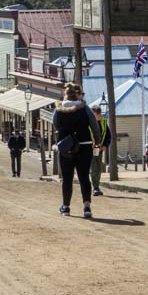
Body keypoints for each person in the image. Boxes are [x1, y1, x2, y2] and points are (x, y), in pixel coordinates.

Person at [51, 84, 98, 218]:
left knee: (67, 178)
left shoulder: (59, 108)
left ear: (65, 95)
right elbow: (94, 125)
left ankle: (66, 207)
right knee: (84, 177)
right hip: (84, 145)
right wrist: (97, 141)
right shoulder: (84, 108)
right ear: (77, 95)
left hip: (67, 146)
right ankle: (87, 207)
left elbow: (55, 124)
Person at [89, 101, 110, 193]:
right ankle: (95, 187)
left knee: (98, 168)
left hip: (100, 149)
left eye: (99, 114)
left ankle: (96, 186)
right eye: (96, 114)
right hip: (90, 149)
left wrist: (105, 145)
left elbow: (108, 136)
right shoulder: (87, 124)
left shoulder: (104, 123)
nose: (98, 115)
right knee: (93, 168)